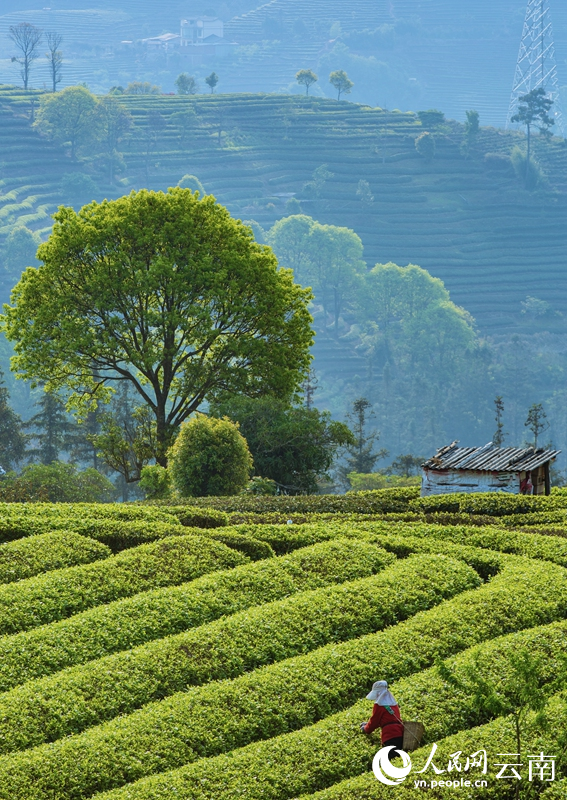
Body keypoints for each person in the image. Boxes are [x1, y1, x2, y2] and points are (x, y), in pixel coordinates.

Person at [360, 680, 404, 757]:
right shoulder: (393, 703)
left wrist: (366, 729)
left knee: (391, 759)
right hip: (400, 733)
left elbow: (375, 721)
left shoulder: (379, 705)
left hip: (390, 736)